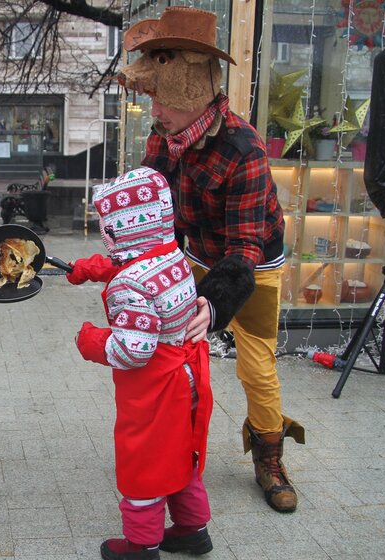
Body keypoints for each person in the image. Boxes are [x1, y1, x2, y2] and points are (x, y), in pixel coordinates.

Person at [118, 6, 305, 513]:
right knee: (174, 352)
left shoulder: (244, 147)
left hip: (253, 266)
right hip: (196, 252)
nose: (153, 112)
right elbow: (150, 209)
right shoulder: (164, 137)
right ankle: (174, 451)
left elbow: (244, 246)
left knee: (255, 365)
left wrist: (216, 304)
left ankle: (269, 455)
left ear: (192, 92)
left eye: (162, 102)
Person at [70, 167, 213, 559]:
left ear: (118, 228)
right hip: (187, 379)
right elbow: (140, 263)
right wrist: (89, 268)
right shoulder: (172, 256)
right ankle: (192, 529)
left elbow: (134, 350)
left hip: (153, 391)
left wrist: (91, 340)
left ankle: (141, 544)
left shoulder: (129, 285)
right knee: (180, 455)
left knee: (144, 465)